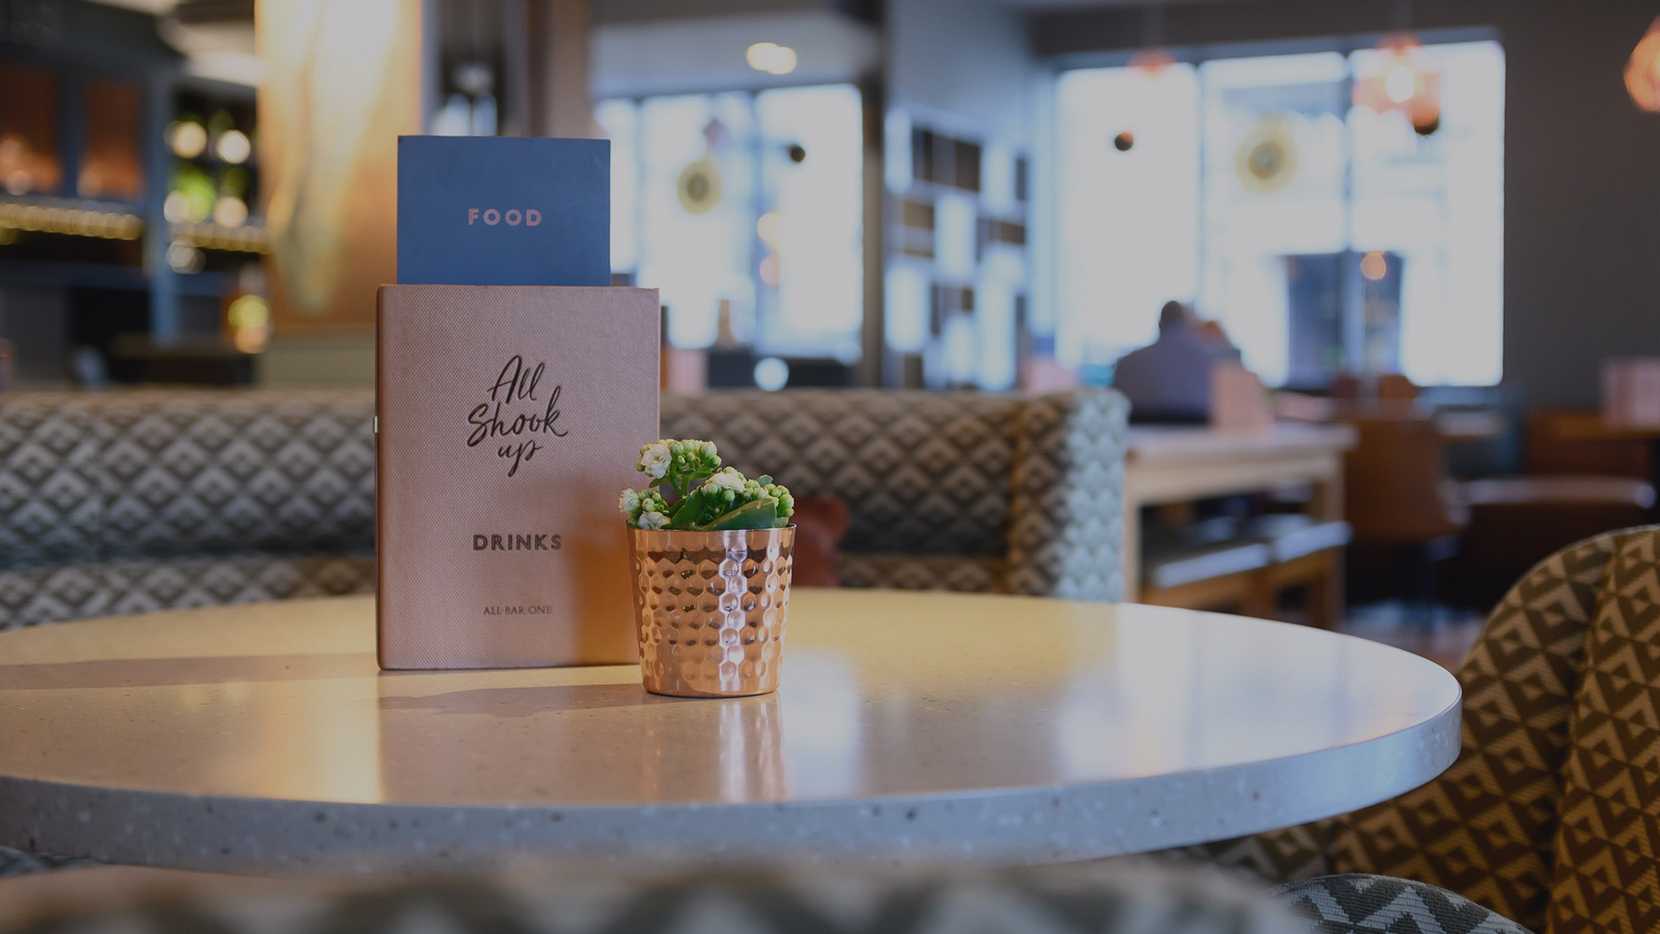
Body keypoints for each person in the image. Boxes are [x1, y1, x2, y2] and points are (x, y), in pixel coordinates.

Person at [1111, 301, 1241, 423]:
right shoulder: (1215, 361)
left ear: (1159, 324)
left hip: (1138, 436)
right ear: (1189, 324)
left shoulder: (1126, 362)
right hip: (1196, 436)